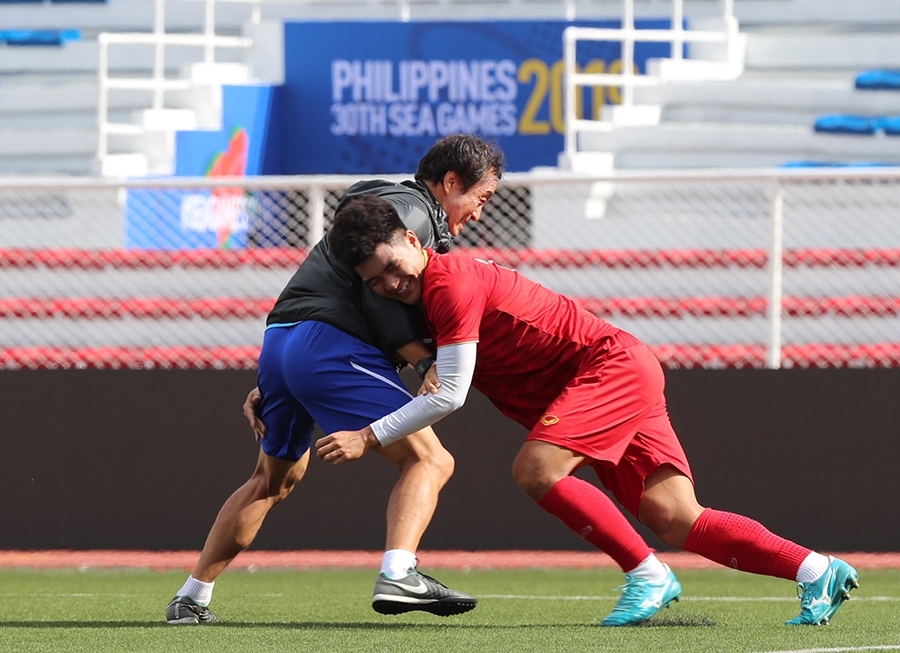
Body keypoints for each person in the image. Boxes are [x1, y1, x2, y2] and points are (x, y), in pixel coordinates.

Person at [319, 194, 860, 628]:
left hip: (608, 371)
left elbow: (451, 394)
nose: (390, 284)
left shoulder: (448, 281)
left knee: (535, 471)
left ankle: (646, 574)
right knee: (674, 517)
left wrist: (368, 437)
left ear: (413, 241)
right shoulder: (419, 297)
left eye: (391, 267)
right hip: (607, 376)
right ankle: (817, 570)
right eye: (374, 281)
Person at [165, 134, 504, 625]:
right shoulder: (410, 218)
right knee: (430, 460)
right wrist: (420, 359)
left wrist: (283, 374)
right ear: (451, 182)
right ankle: (400, 573)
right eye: (482, 197)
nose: (479, 213)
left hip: (282, 345)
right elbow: (376, 292)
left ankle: (192, 595)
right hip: (330, 345)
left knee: (271, 481)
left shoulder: (384, 204)